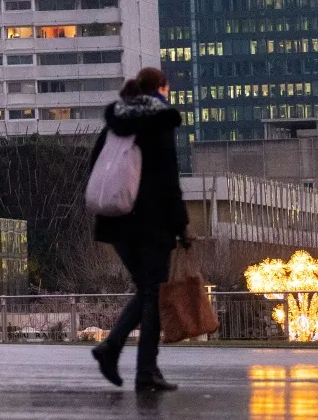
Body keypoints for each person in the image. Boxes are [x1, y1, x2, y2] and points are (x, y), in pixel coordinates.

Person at [87, 66, 187, 394]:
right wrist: (181, 225)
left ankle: (115, 351)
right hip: (152, 224)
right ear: (161, 88)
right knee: (153, 293)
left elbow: (96, 168)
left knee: (146, 290)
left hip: (116, 221)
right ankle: (142, 370)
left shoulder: (115, 125)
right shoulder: (159, 123)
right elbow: (169, 181)